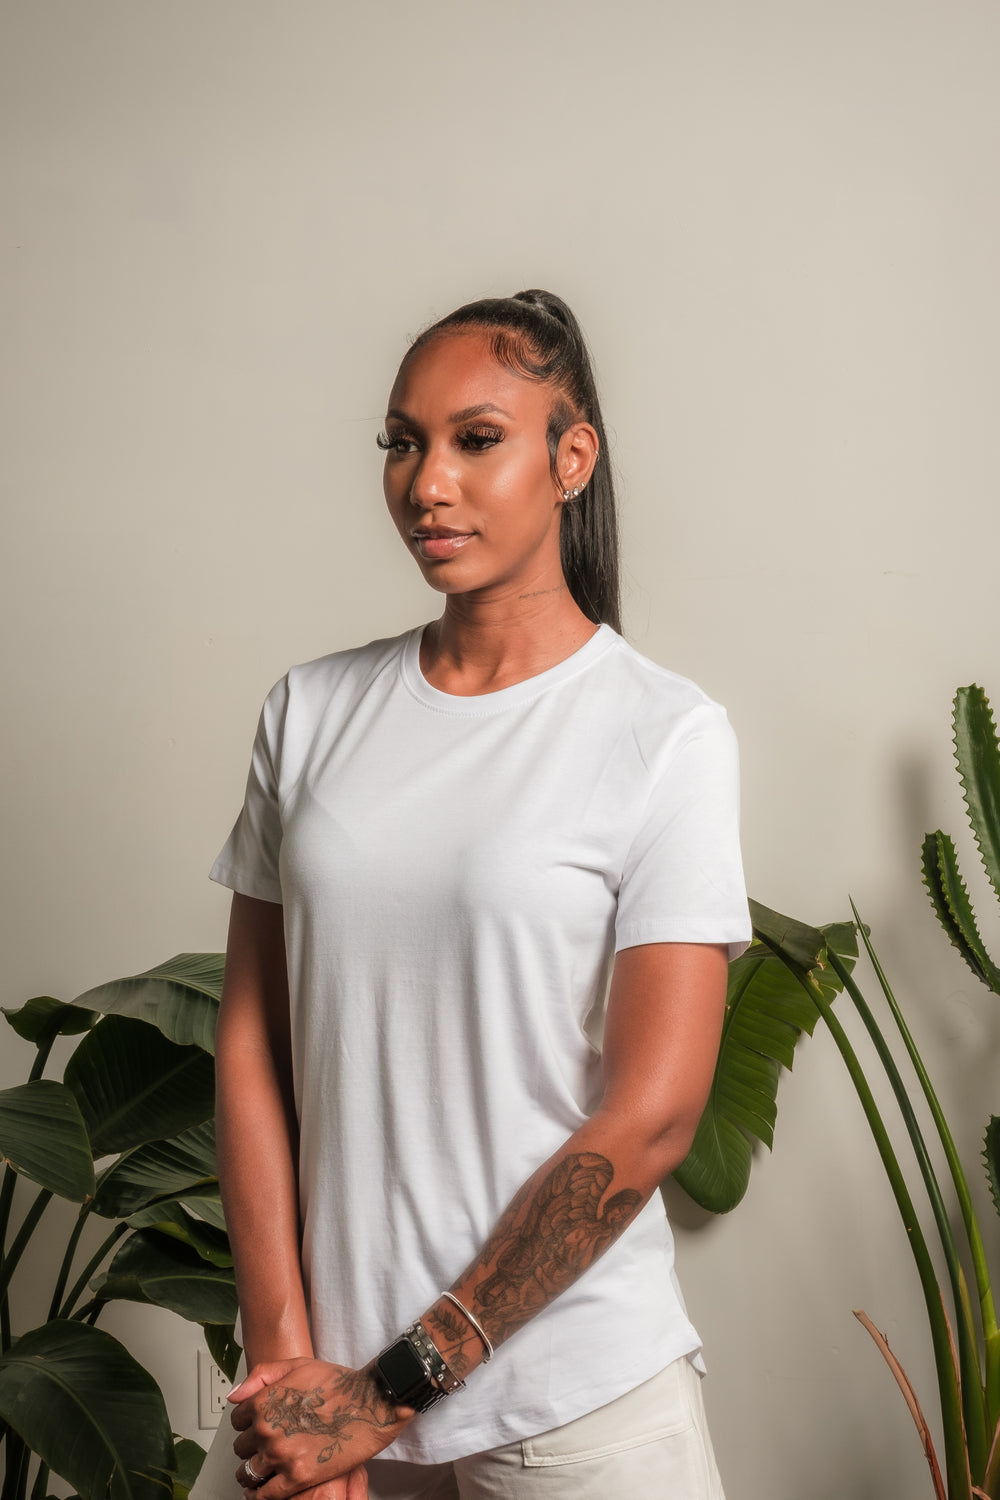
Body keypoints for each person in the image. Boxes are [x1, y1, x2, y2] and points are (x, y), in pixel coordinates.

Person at [194, 289, 752, 1500]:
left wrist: (390, 1389)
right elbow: (250, 1045)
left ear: (570, 457)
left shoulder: (663, 735)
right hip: (327, 1387)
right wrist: (291, 1362)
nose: (426, 482)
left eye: (475, 439)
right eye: (403, 442)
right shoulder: (310, 713)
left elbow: (651, 1116)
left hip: (573, 1400)